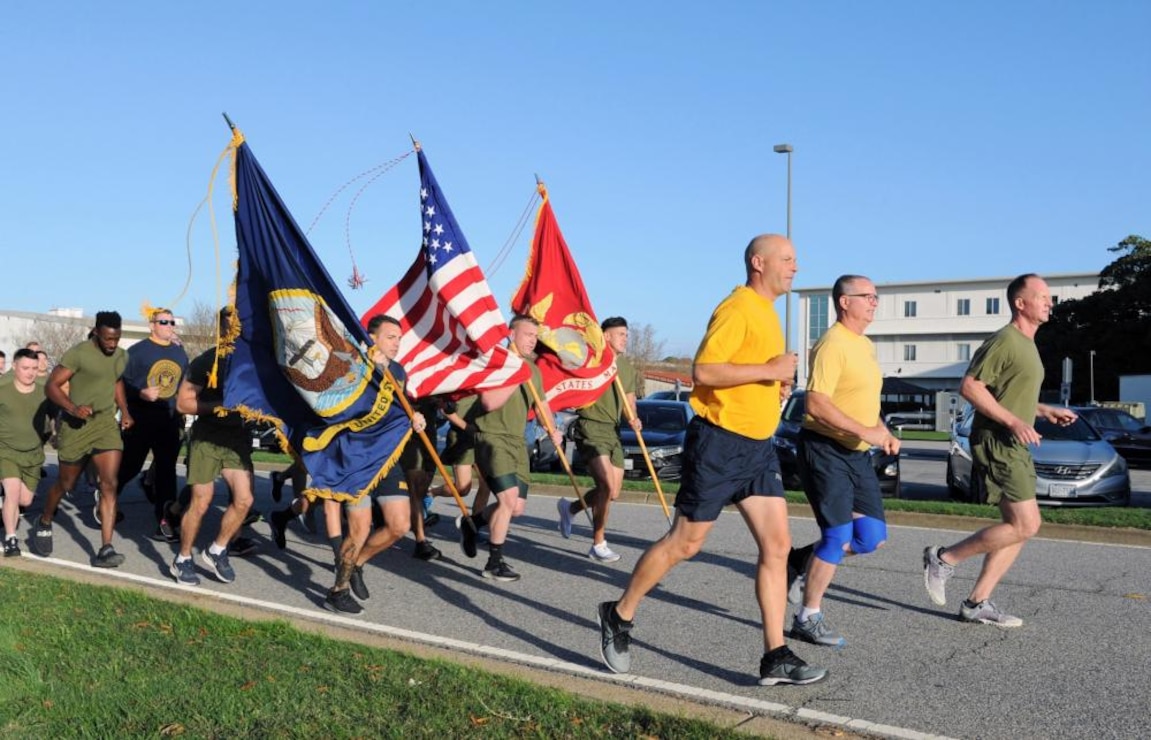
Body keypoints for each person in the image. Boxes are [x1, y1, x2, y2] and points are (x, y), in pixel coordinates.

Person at [596, 234, 827, 686]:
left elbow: (745, 373)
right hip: (719, 443)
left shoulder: (767, 312)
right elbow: (703, 371)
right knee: (686, 543)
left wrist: (772, 385)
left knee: (778, 547)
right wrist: (770, 371)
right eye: (788, 259)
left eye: (797, 259)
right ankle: (618, 615)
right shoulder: (738, 307)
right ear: (759, 263)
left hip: (758, 448)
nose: (796, 267)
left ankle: (775, 654)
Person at [923, 274, 1076, 626]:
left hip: (1013, 441)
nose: (1049, 302)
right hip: (998, 441)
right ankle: (943, 558)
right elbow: (971, 386)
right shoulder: (1006, 340)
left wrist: (1042, 411)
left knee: (1018, 525)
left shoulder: (1027, 344)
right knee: (1027, 523)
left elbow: (1009, 395)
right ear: (1020, 303)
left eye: (1049, 297)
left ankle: (977, 603)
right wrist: (1013, 422)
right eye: (1041, 296)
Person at [785, 275, 899, 648]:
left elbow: (862, 402)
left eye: (876, 296)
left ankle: (801, 560)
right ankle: (807, 617)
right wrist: (867, 433)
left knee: (871, 538)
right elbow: (816, 403)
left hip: (855, 453)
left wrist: (881, 429)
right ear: (844, 302)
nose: (874, 302)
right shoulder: (832, 343)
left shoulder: (864, 345)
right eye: (867, 296)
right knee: (836, 537)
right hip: (824, 449)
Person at [321, 314, 427, 613]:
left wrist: (412, 418)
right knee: (359, 529)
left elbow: (396, 410)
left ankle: (356, 564)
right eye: (391, 337)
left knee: (399, 525)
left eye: (399, 338)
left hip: (386, 457)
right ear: (372, 337)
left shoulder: (398, 371)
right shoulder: (351, 364)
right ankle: (337, 591)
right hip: (355, 458)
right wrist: (372, 370)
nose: (397, 343)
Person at [457, 315, 563, 583]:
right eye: (528, 334)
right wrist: (516, 375)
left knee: (516, 508)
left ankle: (475, 524)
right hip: (493, 437)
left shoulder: (533, 369)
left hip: (518, 442)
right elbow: (490, 402)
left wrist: (552, 427)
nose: (533, 340)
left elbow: (541, 405)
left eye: (535, 336)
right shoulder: (497, 361)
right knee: (507, 499)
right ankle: (494, 563)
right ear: (511, 333)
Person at [31, 312, 134, 567]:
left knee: (109, 483)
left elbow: (116, 381)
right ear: (97, 332)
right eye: (108, 338)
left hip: (105, 425)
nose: (112, 344)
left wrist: (126, 411)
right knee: (66, 484)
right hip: (77, 425)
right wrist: (72, 408)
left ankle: (106, 549)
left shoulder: (121, 356)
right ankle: (44, 521)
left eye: (117, 338)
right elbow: (52, 386)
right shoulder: (78, 353)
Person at [169, 309, 254, 586]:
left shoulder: (253, 362)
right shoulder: (207, 361)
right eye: (231, 326)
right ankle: (183, 558)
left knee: (244, 501)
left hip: (236, 440)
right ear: (221, 329)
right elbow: (183, 403)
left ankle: (217, 550)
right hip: (207, 437)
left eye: (240, 326)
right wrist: (218, 407)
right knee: (202, 501)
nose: (237, 332)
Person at [556, 316, 641, 563]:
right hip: (590, 427)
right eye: (621, 334)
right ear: (606, 336)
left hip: (613, 431)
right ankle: (598, 543)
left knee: (613, 492)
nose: (626, 338)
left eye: (627, 334)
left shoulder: (626, 368)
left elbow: (630, 402)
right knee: (604, 485)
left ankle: (570, 508)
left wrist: (633, 418)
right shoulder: (591, 360)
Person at [115, 308, 188, 543]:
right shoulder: (137, 352)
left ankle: (165, 522)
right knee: (131, 465)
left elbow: (184, 387)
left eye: (172, 322)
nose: (169, 326)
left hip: (168, 421)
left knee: (167, 472)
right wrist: (140, 394)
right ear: (152, 325)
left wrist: (182, 409)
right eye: (164, 322)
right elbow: (119, 385)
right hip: (141, 420)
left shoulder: (180, 354)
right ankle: (106, 496)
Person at [1, 349, 53, 556]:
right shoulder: (2, 389)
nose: (30, 373)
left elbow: (56, 415)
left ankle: (5, 504)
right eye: (25, 368)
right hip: (5, 451)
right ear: (14, 367)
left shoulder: (44, 391)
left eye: (34, 368)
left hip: (32, 454)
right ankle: (11, 539)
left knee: (25, 501)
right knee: (12, 493)